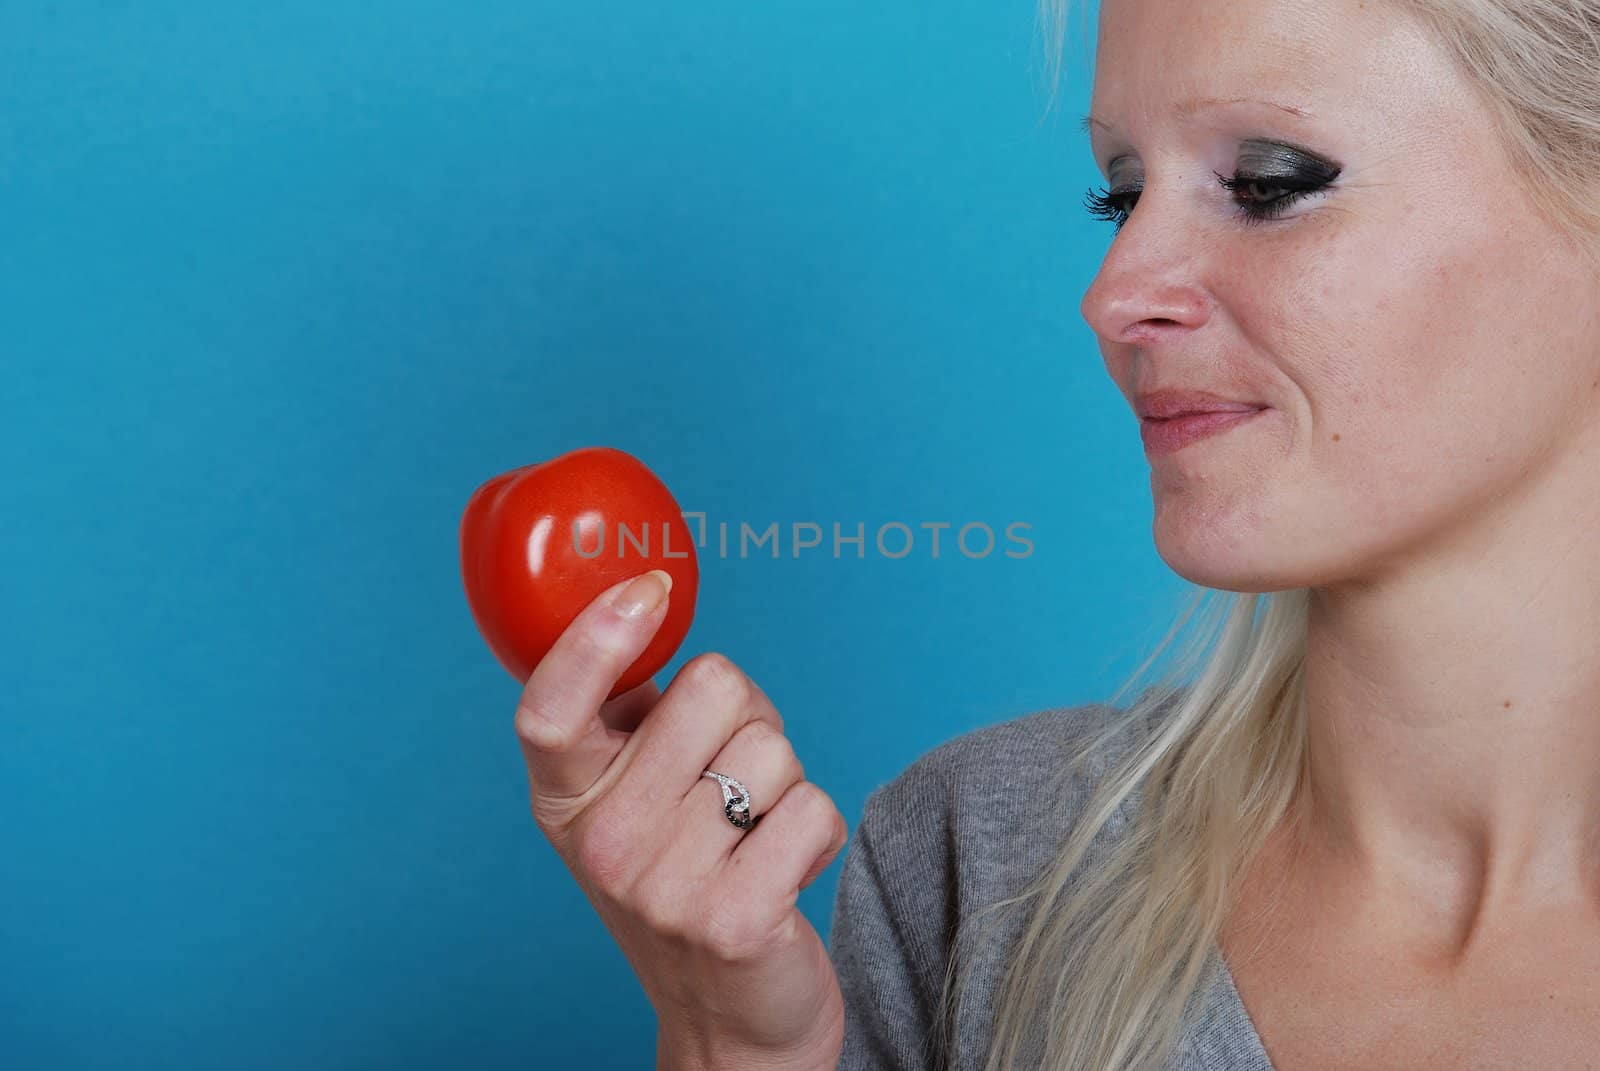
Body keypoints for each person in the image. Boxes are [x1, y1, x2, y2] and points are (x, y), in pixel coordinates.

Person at [515, 0, 1600, 1067]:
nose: (1115, 291)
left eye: (1268, 184)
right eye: (1119, 196)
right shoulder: (981, 867)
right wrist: (732, 1047)